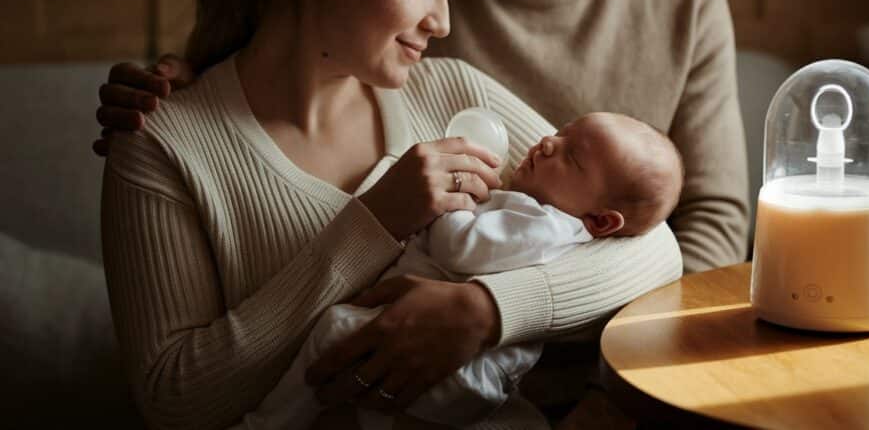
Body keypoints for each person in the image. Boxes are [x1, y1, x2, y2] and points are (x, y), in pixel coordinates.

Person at [98, 0, 683, 429]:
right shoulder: (161, 147)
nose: (442, 23)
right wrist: (375, 222)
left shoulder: (456, 95)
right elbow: (173, 401)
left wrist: (486, 311)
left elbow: (656, 248)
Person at [239, 112, 684, 429]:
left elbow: (462, 249)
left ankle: (267, 422)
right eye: (562, 132)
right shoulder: (536, 208)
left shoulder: (546, 227)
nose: (549, 142)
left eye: (572, 158)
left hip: (467, 374)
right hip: (455, 369)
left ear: (601, 222)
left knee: (336, 330)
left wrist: (454, 202)